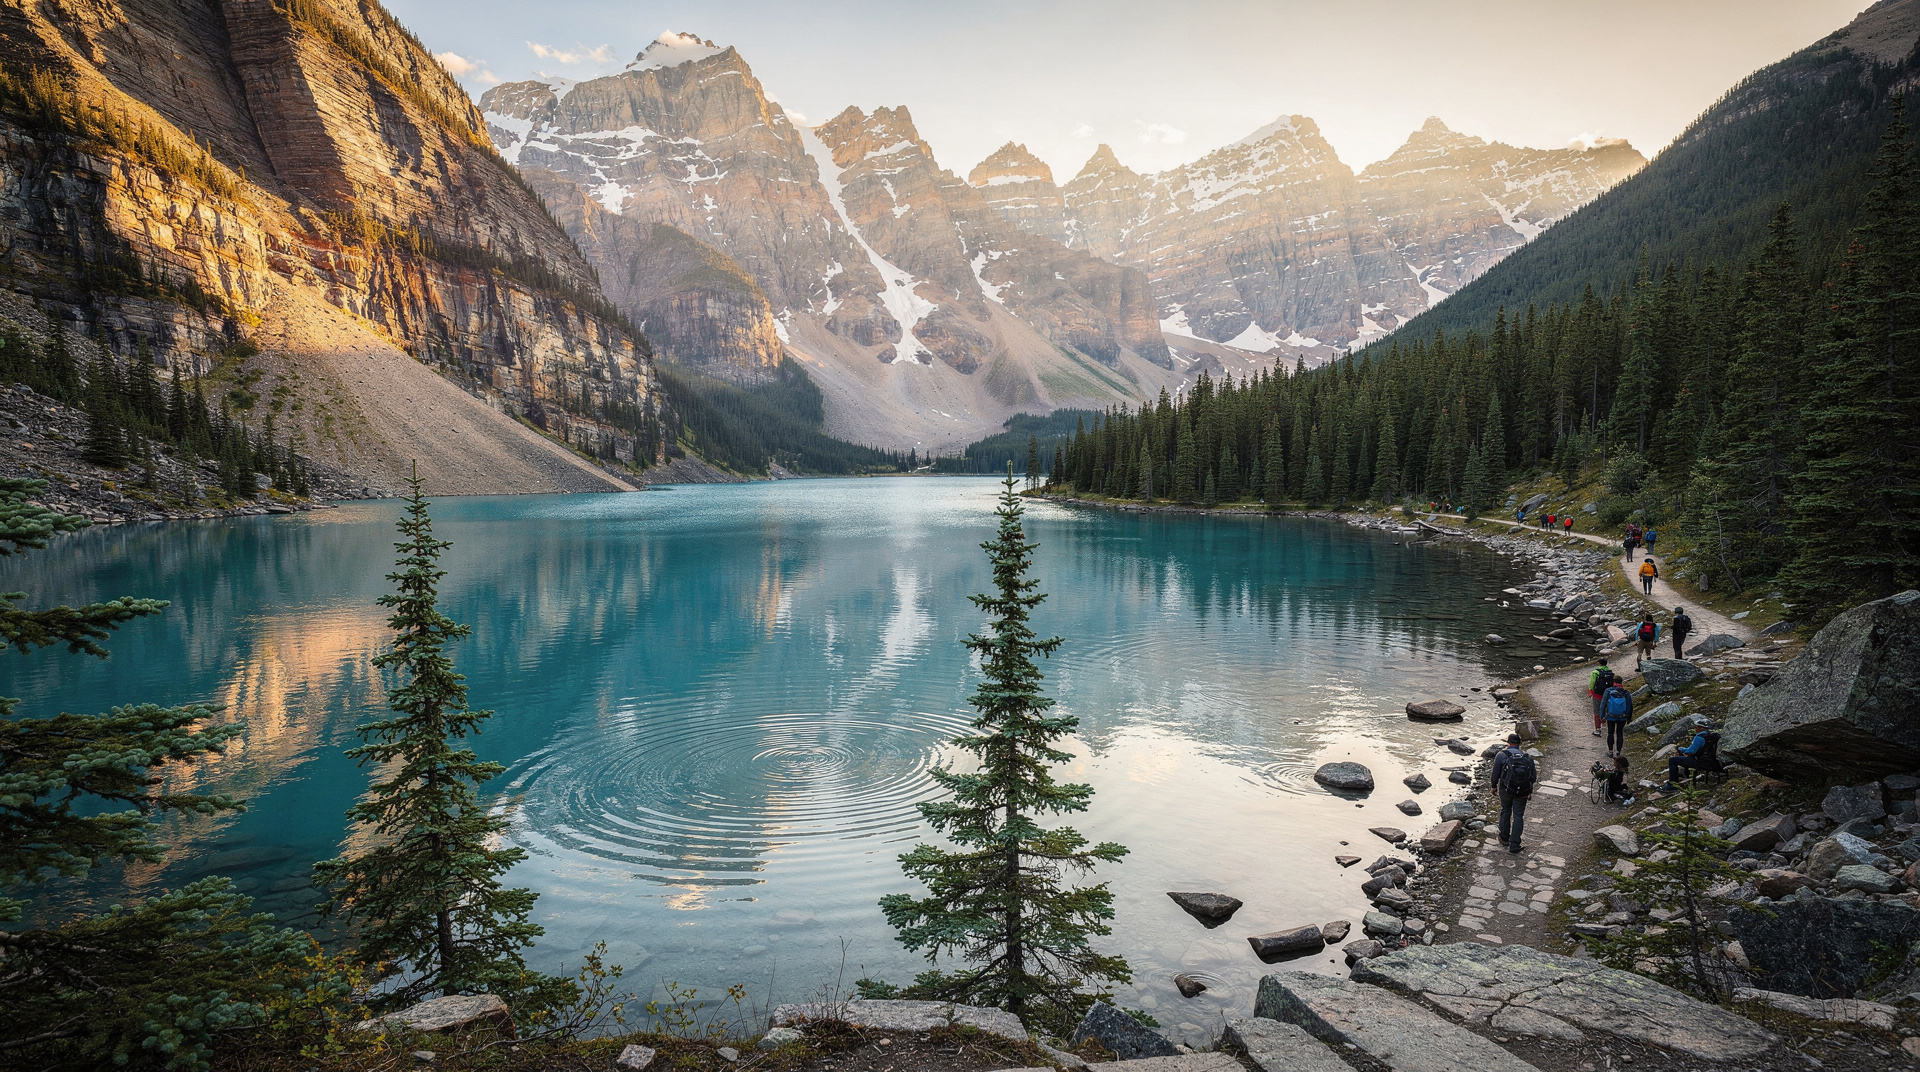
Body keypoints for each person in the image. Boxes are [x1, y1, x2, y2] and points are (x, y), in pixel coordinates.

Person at [1489, 733, 1536, 854]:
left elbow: (1495, 774)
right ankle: (1515, 845)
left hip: (1506, 789)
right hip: (1522, 792)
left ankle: (1504, 838)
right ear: (1519, 744)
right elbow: (1533, 777)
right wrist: (1529, 791)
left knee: (1505, 810)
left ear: (1508, 743)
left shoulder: (1501, 755)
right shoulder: (1527, 757)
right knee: (1518, 816)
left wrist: (1493, 786)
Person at [1661, 721, 1722, 791]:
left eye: (1696, 727)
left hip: (1701, 762)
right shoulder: (1714, 735)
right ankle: (1686, 775)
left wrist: (1680, 748)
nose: (1695, 728)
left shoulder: (1699, 737)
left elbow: (1691, 751)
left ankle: (1673, 784)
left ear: (1701, 728)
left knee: (1672, 760)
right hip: (1713, 762)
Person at [1601, 679, 1633, 755]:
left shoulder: (1608, 691)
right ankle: (1618, 751)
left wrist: (1602, 716)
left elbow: (1603, 703)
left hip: (1610, 716)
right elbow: (1630, 705)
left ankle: (1610, 751)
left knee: (1610, 733)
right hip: (1622, 717)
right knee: (1620, 733)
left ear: (1614, 682)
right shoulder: (1626, 692)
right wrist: (1628, 717)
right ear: (1621, 682)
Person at [1587, 659, 1617, 737]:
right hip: (1608, 694)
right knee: (1606, 709)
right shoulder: (1610, 673)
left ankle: (1597, 729)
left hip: (1597, 695)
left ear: (1599, 663)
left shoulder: (1595, 672)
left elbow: (1592, 683)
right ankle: (1604, 725)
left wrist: (1590, 692)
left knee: (1597, 711)